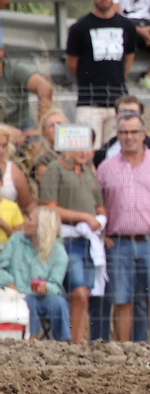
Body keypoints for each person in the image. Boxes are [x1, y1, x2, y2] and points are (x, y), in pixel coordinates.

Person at [97, 113, 150, 342]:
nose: (129, 137)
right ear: (118, 135)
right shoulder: (106, 168)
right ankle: (124, 350)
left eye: (134, 132)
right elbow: (98, 202)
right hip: (118, 243)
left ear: (143, 134)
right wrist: (102, 235)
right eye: (124, 132)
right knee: (121, 300)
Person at [38, 135, 103, 344]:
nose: (84, 152)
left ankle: (76, 343)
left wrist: (99, 220)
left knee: (84, 292)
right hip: (67, 240)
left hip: (89, 241)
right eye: (79, 146)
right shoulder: (55, 169)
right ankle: (70, 343)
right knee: (77, 291)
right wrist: (84, 217)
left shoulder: (89, 172)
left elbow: (100, 207)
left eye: (87, 147)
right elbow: (49, 206)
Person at [65, 0, 140, 145]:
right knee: (87, 150)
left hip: (118, 101)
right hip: (89, 103)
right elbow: (71, 63)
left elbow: (129, 58)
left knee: (117, 152)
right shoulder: (79, 28)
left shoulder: (127, 26)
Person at [0, 206, 68, 339]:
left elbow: (57, 285)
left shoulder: (59, 252)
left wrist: (46, 287)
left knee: (60, 303)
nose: (24, 221)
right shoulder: (15, 240)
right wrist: (8, 281)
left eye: (30, 219)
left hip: (44, 296)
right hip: (16, 295)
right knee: (29, 301)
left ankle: (64, 343)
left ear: (41, 227)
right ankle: (32, 340)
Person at [0, 47, 53, 133]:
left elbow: (45, 88)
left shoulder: (14, 70)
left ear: (1, 52)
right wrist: (6, 129)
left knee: (36, 141)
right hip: (4, 129)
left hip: (23, 127)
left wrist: (41, 128)